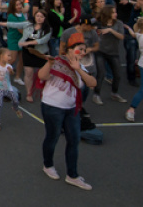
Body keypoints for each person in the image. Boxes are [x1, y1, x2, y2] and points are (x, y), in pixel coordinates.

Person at [38, 32, 97, 190]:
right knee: (53, 136)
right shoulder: (56, 61)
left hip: (71, 109)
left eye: (84, 50)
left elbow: (92, 83)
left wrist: (79, 69)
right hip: (52, 106)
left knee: (74, 140)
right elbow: (41, 76)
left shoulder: (81, 67)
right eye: (79, 49)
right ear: (69, 50)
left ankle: (72, 175)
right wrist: (49, 64)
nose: (82, 52)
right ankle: (48, 165)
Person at [0, 48, 22, 131]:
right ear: (1, 56)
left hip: (7, 88)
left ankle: (15, 108)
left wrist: (11, 71)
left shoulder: (8, 65)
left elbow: (12, 73)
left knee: (16, 100)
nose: (10, 57)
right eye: (8, 55)